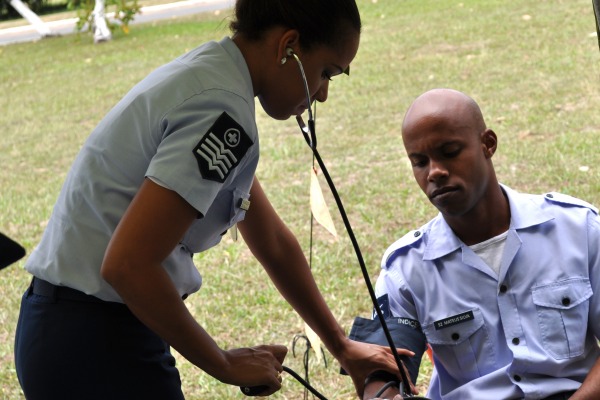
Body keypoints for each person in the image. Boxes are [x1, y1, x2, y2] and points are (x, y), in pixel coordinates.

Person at [14, 1, 410, 398]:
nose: (322, 94)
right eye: (326, 72)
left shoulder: (215, 76)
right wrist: (222, 363)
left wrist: (340, 345)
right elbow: (129, 264)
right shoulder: (222, 107)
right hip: (94, 344)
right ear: (288, 46)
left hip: (76, 328)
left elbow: (270, 239)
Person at [362, 88, 600, 400]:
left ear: (488, 144)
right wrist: (383, 393)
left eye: (449, 151)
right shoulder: (405, 270)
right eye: (419, 161)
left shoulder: (577, 229)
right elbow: (380, 375)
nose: (435, 171)